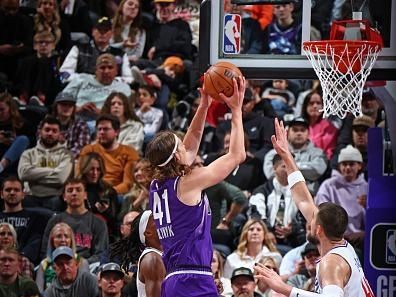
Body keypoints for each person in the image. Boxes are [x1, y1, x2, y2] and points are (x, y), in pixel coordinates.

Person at [145, 76, 246, 296]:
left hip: (172, 280)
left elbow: (191, 142)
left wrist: (204, 106)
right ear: (176, 157)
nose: (186, 144)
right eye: (180, 144)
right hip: (194, 279)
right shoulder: (189, 183)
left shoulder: (156, 185)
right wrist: (236, 111)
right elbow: (237, 154)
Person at [254, 118, 374, 297]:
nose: (308, 220)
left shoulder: (331, 263)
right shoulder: (341, 244)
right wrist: (287, 156)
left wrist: (284, 288)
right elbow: (303, 199)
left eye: (312, 220)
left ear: (318, 230)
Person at [41, 178, 109, 264]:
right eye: (70, 190)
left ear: (85, 195)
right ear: (64, 197)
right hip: (59, 266)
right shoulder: (55, 221)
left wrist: (79, 264)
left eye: (78, 190)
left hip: (88, 267)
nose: (74, 193)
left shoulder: (98, 222)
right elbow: (45, 252)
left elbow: (100, 254)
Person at [316, 145, 367, 252]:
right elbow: (321, 212)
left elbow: (372, 219)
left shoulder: (367, 187)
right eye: (344, 164)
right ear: (339, 166)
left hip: (359, 238)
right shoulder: (328, 185)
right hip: (333, 236)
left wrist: (367, 206)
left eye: (352, 164)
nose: (347, 167)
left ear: (359, 166)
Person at [18, 116, 73, 211]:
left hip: (54, 198)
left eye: (54, 131)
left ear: (60, 134)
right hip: (30, 196)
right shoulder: (28, 153)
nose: (50, 133)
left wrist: (34, 177)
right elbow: (23, 174)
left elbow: (60, 179)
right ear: (40, 132)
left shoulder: (66, 154)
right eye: (47, 130)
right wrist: (52, 171)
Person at [263, 117, 327, 195]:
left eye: (302, 130)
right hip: (279, 194)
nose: (299, 133)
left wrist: (287, 167)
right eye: (295, 130)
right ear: (288, 132)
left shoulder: (318, 153)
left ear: (308, 133)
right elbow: (270, 173)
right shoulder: (274, 153)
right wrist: (302, 169)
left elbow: (317, 171)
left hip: (308, 195)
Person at [60, 17, 133, 83]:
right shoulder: (78, 49)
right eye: (99, 30)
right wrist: (89, 79)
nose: (102, 33)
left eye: (106, 30)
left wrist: (110, 80)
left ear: (111, 33)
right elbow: (64, 74)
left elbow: (129, 79)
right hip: (83, 89)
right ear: (93, 32)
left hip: (111, 91)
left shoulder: (121, 54)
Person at [79, 114, 140, 195]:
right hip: (90, 191)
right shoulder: (88, 150)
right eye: (99, 129)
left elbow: (127, 184)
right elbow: (79, 176)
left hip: (115, 193)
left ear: (117, 132)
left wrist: (108, 193)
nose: (101, 132)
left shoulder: (130, 152)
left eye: (106, 129)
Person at [62, 53, 131, 123]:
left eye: (110, 67)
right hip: (75, 121)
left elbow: (126, 115)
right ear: (96, 70)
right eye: (102, 68)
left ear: (116, 71)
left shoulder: (123, 88)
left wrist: (102, 113)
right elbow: (61, 102)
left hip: (105, 124)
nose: (106, 71)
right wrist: (78, 109)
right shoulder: (81, 79)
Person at [0, 176, 52, 265]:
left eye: (16, 190)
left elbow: (35, 242)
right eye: (8, 190)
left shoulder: (35, 218)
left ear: (23, 194)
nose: (12, 193)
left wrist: (20, 256)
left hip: (24, 262)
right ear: (1, 194)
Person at [36, 222, 90, 293]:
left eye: (66, 236)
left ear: (71, 240)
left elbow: (84, 290)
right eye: (59, 236)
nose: (63, 240)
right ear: (52, 240)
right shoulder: (44, 264)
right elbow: (38, 292)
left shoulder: (81, 262)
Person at [45, 92, 90, 159]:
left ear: (74, 108)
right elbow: (41, 143)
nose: (67, 108)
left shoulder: (81, 125)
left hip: (71, 161)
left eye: (70, 105)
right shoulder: (46, 123)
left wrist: (63, 158)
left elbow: (82, 147)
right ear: (56, 106)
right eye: (64, 104)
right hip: (48, 157)